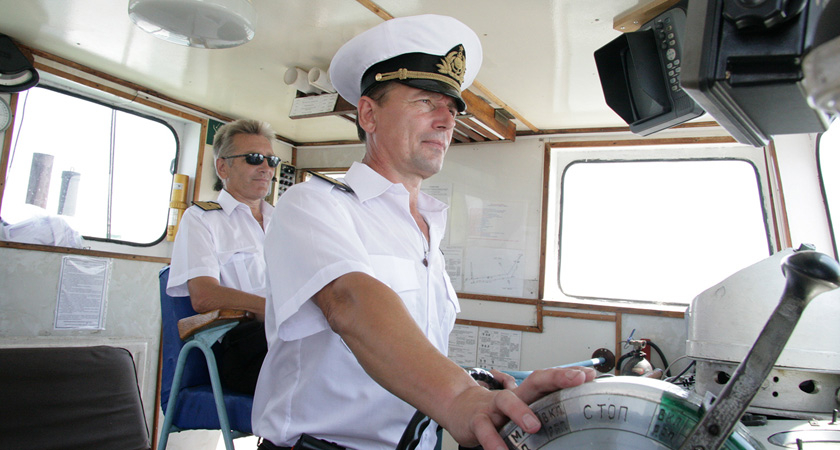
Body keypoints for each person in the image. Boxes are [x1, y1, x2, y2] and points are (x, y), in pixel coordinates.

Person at [252, 15, 596, 450]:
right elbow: (351, 302)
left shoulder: (426, 228)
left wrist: (479, 390)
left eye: (452, 109)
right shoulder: (312, 205)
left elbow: (414, 348)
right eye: (425, 101)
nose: (445, 120)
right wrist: (459, 398)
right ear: (368, 114)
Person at [166, 118, 278, 395]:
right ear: (222, 167)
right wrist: (274, 310)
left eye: (271, 160)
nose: (266, 168)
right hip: (244, 345)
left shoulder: (284, 222)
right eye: (254, 158)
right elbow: (204, 296)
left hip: (292, 334)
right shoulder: (201, 220)